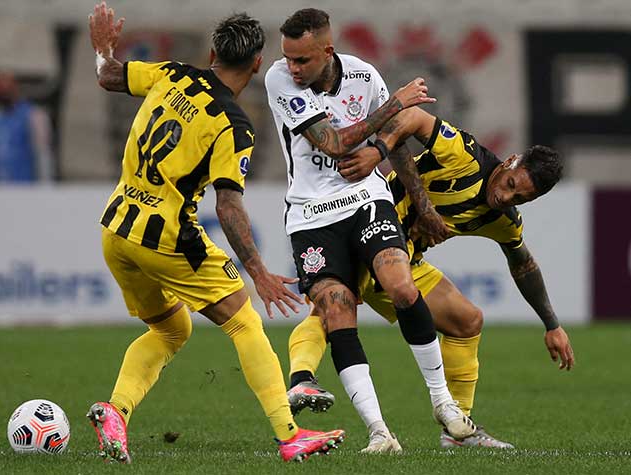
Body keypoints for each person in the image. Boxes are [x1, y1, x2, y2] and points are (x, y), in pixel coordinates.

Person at [86, 2, 345, 464]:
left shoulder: (172, 73)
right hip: (167, 238)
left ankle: (115, 412)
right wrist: (259, 271)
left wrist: (103, 46)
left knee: (171, 329)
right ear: (258, 63)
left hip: (116, 228)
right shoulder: (233, 124)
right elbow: (228, 206)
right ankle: (289, 435)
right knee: (244, 319)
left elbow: (108, 76)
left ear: (212, 52)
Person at [287, 104, 575, 448]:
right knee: (333, 308)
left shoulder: (502, 219)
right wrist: (387, 159)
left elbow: (523, 264)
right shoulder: (464, 156)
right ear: (511, 160)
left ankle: (457, 430)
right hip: (366, 229)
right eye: (511, 184)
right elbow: (411, 117)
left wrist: (551, 324)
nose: (505, 197)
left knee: (467, 321)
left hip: (406, 260)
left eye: (520, 198)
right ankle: (301, 378)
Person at [265, 8, 476, 454]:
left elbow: (395, 145)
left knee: (400, 285)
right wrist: (395, 105)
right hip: (310, 214)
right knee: (337, 307)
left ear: (327, 50)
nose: (293, 68)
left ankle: (443, 403)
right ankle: (380, 432)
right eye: (288, 58)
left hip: (365, 199)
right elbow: (334, 143)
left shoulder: (364, 76)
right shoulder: (279, 80)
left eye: (302, 60)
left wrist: (421, 206)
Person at [0, 71, 54, 182]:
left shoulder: (33, 116)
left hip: (24, 190)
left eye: (5, 90)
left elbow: (42, 156)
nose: (2, 95)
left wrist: (45, 190)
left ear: (15, 89)